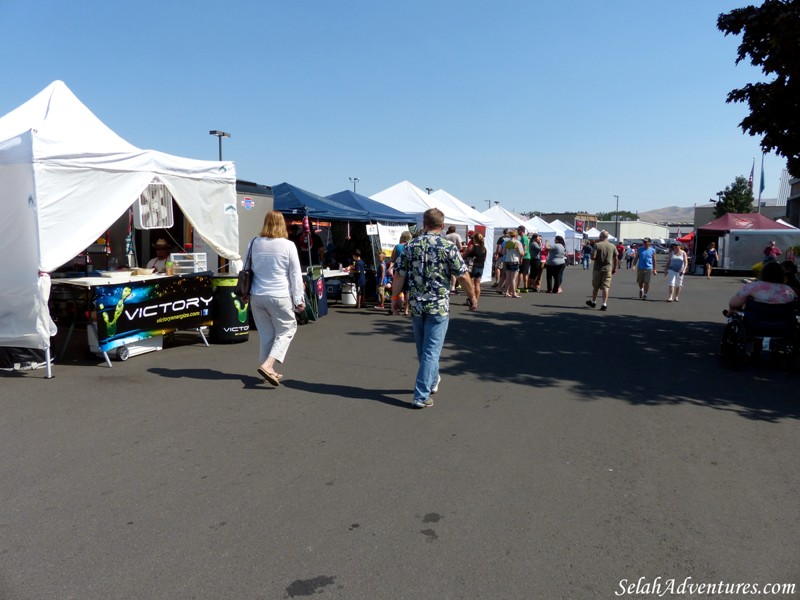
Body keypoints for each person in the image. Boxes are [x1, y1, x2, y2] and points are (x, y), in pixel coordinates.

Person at [391, 208, 477, 409]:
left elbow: (399, 274)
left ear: (424, 223)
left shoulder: (410, 246)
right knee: (430, 351)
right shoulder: (447, 246)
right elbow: (463, 275)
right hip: (438, 306)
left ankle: (430, 381)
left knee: (424, 350)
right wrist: (472, 297)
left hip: (416, 305)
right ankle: (420, 396)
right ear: (442, 225)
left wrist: (395, 297)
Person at [249, 211, 305, 387]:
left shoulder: (253, 243)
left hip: (257, 295)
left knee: (267, 334)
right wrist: (299, 299)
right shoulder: (288, 245)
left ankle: (269, 370)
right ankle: (268, 365)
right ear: (283, 225)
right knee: (287, 329)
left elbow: (246, 267)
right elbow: (295, 274)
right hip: (279, 295)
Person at [728, 261, 796, 312]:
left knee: (736, 307)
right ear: (781, 275)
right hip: (783, 326)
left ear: (763, 273)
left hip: (755, 324)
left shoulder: (752, 287)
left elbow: (733, 303)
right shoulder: (789, 290)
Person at [585, 230, 617, 311]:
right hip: (608, 268)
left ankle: (593, 301)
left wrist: (595, 256)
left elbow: (593, 257)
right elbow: (616, 258)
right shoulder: (612, 246)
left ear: (602, 236)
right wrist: (615, 268)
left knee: (596, 286)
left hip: (598, 269)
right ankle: (604, 304)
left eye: (600, 236)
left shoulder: (597, 245)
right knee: (606, 287)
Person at [391, 231, 412, 316]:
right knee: (407, 291)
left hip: (399, 270)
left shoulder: (397, 246)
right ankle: (406, 309)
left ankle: (394, 308)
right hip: (409, 270)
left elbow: (392, 259)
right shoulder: (411, 246)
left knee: (396, 289)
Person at [464, 232, 487, 304]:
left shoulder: (472, 247)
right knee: (477, 284)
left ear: (475, 239)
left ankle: (471, 300)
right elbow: (484, 259)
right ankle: (476, 300)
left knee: (471, 285)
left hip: (472, 266)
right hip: (480, 267)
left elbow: (464, 255)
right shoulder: (484, 248)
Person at [501, 230, 523, 298]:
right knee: (513, 278)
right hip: (515, 261)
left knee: (507, 278)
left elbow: (503, 252)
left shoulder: (506, 242)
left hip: (507, 260)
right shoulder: (518, 243)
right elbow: (521, 253)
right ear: (516, 236)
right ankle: (514, 293)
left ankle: (506, 292)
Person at [445, 226, 463, 294]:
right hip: (454, 254)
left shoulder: (446, 236)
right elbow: (460, 246)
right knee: (454, 271)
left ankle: (449, 286)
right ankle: (453, 287)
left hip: (446, 253)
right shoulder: (457, 235)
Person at [517, 226, 531, 292]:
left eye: (518, 230)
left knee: (521, 273)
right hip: (526, 257)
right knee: (524, 273)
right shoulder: (524, 237)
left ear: (522, 230)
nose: (517, 231)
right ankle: (525, 288)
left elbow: (524, 248)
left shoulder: (524, 238)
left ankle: (518, 287)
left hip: (525, 257)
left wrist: (521, 257)